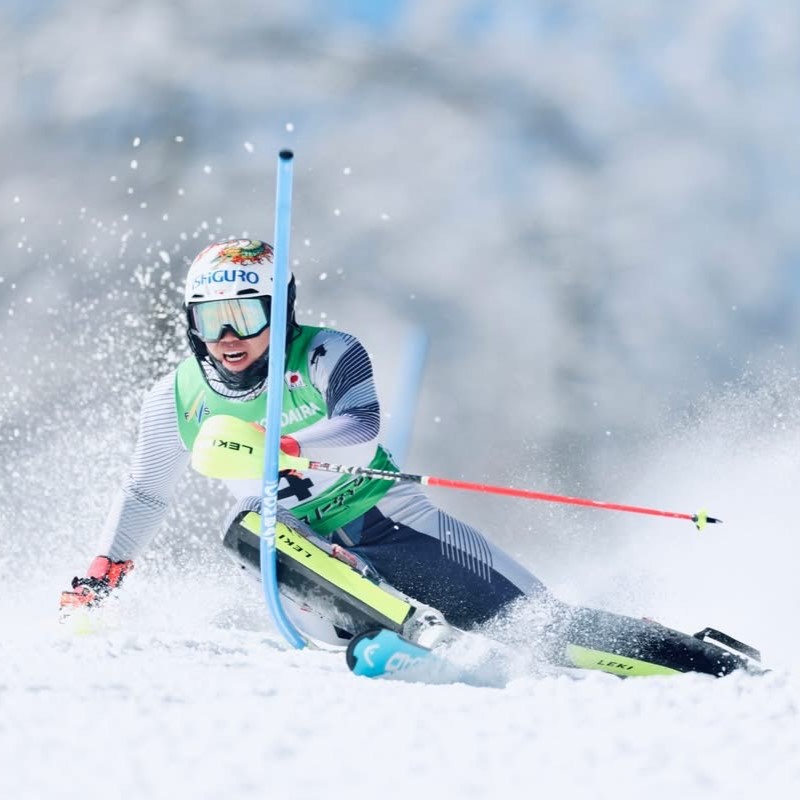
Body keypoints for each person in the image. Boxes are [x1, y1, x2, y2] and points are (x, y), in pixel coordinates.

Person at [59, 237, 550, 645]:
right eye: (210, 320)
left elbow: (361, 427)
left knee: (539, 622)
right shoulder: (175, 398)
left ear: (280, 311)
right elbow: (145, 492)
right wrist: (104, 569)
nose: (228, 337)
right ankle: (389, 622)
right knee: (247, 517)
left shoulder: (325, 352)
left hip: (389, 521)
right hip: (295, 564)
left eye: (245, 317)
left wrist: (285, 447)